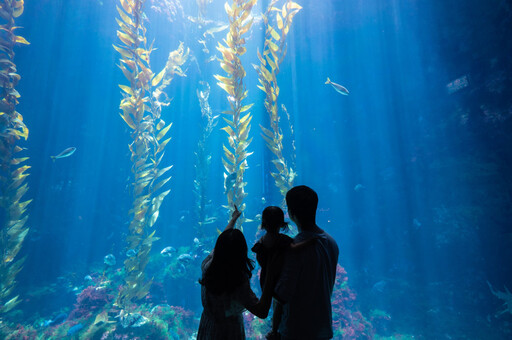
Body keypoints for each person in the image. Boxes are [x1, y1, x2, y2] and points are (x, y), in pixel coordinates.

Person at [197, 205, 275, 340]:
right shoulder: (238, 282)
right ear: (241, 253)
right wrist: (270, 275)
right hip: (229, 332)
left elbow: (221, 244)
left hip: (208, 327)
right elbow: (262, 312)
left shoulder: (207, 266)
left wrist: (233, 220)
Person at [273, 185, 339, 340]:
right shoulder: (331, 242)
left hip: (297, 330)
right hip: (322, 328)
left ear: (291, 213)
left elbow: (282, 294)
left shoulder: (293, 249)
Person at [251, 206, 314, 340]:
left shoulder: (261, 242)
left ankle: (274, 330)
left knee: (275, 302)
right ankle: (274, 330)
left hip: (265, 279)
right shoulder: (283, 240)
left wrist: (268, 268)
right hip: (280, 279)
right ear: (281, 223)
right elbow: (294, 248)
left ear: (263, 223)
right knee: (279, 304)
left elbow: (260, 259)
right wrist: (309, 242)